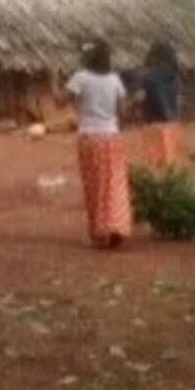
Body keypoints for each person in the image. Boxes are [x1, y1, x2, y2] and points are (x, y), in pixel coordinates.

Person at [58, 41, 133, 249]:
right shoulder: (115, 80)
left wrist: (54, 80)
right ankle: (117, 224)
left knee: (94, 186)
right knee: (115, 184)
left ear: (87, 58)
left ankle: (99, 232)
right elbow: (123, 112)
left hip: (89, 138)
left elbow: (59, 101)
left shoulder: (80, 78)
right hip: (112, 137)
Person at [140, 40, 181, 167]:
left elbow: (155, 95)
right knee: (171, 160)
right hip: (172, 121)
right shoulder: (173, 74)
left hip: (154, 120)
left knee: (156, 162)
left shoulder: (150, 74)